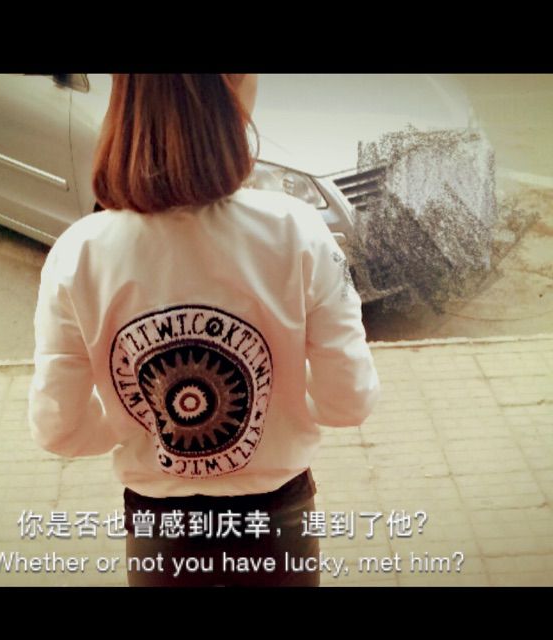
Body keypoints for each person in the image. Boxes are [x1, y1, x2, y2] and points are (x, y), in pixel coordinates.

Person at [28, 74, 380, 587]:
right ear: (232, 88)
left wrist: (136, 421)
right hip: (277, 523)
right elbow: (348, 401)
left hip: (161, 531)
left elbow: (57, 428)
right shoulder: (297, 232)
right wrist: (281, 401)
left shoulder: (79, 254)